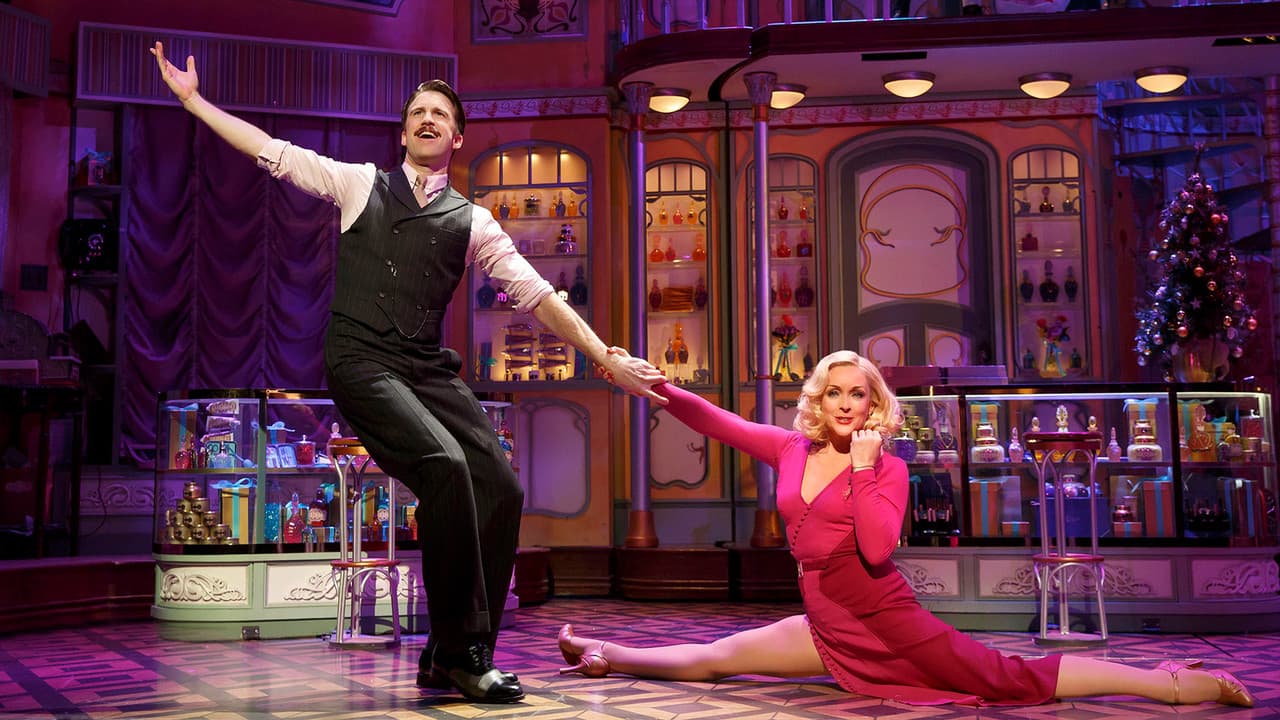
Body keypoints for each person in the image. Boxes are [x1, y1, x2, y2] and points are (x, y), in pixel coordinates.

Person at [150, 42, 667, 704]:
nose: (427, 120)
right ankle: (461, 652)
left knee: (501, 484)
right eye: (417, 112)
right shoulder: (358, 184)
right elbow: (270, 150)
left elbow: (537, 295)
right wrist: (195, 102)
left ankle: (451, 654)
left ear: (457, 137)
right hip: (360, 358)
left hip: (424, 367)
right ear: (403, 133)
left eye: (439, 114)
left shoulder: (474, 221)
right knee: (445, 466)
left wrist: (605, 356)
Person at [566, 349, 1253, 708]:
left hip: (888, 622)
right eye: (834, 392)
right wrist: (646, 383)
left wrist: (864, 469)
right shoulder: (791, 448)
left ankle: (1164, 683)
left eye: (857, 393)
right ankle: (606, 653)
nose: (844, 404)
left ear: (874, 404)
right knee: (720, 658)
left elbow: (875, 548)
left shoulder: (889, 468)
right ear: (818, 400)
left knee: (1007, 678)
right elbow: (715, 420)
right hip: (827, 625)